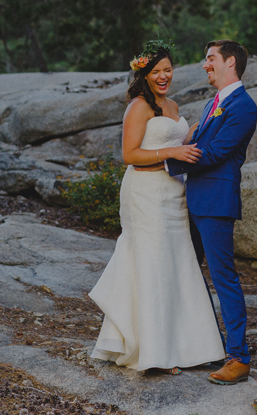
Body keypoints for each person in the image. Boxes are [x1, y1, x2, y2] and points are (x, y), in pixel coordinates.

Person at [89, 39, 226, 374]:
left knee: (176, 264)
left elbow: (174, 144)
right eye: (156, 71)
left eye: (168, 70)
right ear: (144, 73)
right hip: (146, 194)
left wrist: (192, 136)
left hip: (174, 194)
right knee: (153, 264)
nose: (163, 76)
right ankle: (153, 352)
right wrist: (173, 152)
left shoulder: (174, 105)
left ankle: (186, 346)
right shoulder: (138, 106)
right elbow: (130, 155)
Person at [165, 39, 257, 385]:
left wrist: (161, 160)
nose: (205, 65)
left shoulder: (244, 106)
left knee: (224, 279)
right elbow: (197, 143)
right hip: (195, 200)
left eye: (210, 59)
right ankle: (201, 345)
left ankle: (239, 358)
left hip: (217, 204)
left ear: (230, 62)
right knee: (184, 271)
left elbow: (215, 152)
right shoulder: (211, 103)